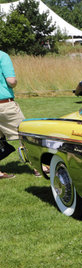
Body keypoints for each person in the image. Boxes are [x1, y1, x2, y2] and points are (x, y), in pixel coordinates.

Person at [0, 50, 25, 179]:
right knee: (25, 134)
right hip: (4, 105)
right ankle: (39, 167)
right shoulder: (2, 56)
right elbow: (11, 81)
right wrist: (15, 83)